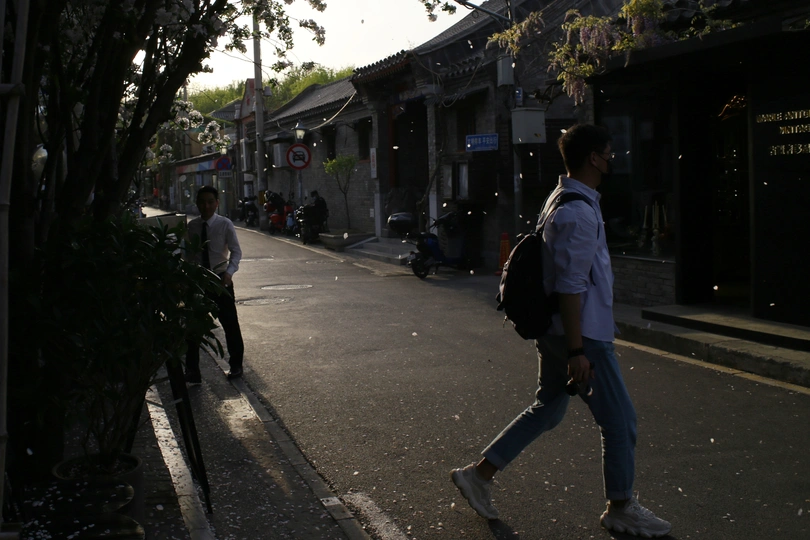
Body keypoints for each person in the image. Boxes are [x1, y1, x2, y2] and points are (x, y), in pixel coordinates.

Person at [450, 124, 671, 538]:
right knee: (620, 422)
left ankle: (478, 475)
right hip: (581, 335)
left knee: (548, 408)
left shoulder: (563, 198)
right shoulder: (577, 212)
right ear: (594, 158)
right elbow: (570, 287)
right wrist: (577, 351)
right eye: (609, 153)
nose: (612, 160)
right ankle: (621, 506)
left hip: (558, 332)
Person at [184, 185, 245, 383]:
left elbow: (236, 251)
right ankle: (192, 371)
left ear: (217, 203)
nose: (206, 206)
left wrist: (229, 273)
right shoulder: (192, 226)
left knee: (230, 324)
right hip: (198, 281)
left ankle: (236, 365)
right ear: (197, 204)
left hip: (220, 281)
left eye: (210, 202)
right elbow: (187, 253)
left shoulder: (225, 224)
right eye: (202, 202)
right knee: (193, 326)